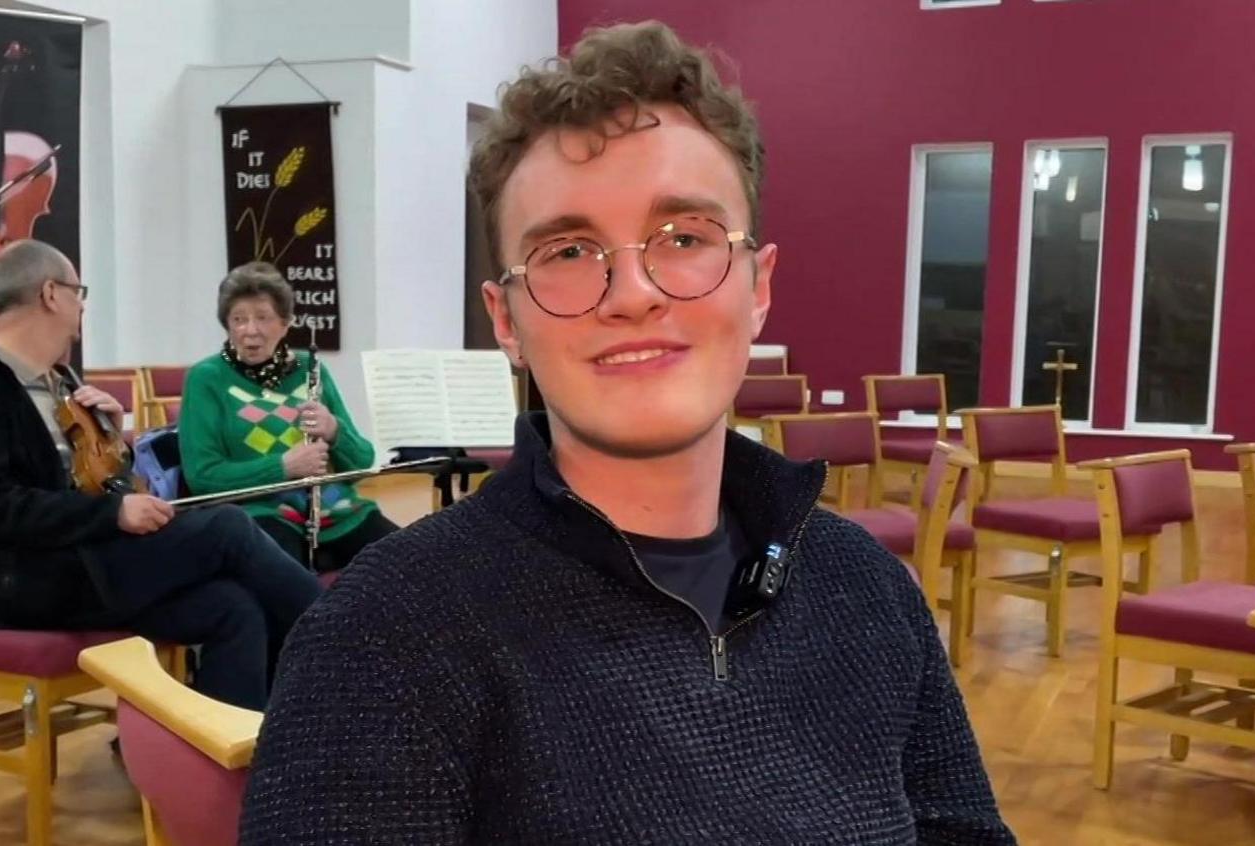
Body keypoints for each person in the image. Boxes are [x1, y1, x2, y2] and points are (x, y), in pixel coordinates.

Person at [239, 21, 1015, 845]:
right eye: (569, 251)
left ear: (758, 286)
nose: (632, 291)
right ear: (505, 318)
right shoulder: (382, 637)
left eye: (684, 238)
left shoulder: (868, 590)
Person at [0, 240, 321, 711]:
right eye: (77, 292)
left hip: (86, 561)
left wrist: (112, 440)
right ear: (50, 294)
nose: (81, 304)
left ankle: (231, 761)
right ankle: (352, 636)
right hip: (21, 579)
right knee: (227, 527)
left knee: (234, 607)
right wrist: (112, 513)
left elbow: (90, 484)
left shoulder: (58, 379)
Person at [178, 262, 395, 574]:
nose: (249, 330)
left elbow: (361, 463)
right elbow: (202, 476)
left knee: (407, 568)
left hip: (337, 511)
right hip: (262, 514)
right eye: (238, 319)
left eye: (263, 318)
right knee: (293, 585)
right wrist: (284, 467)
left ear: (285, 323)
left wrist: (335, 431)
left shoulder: (310, 368)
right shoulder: (207, 378)